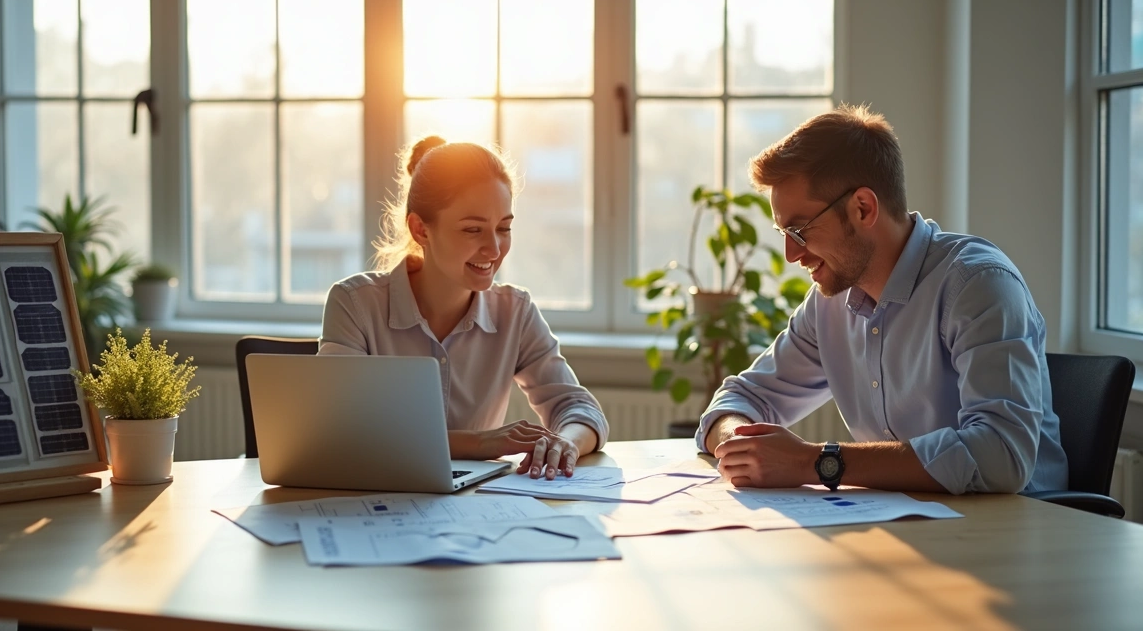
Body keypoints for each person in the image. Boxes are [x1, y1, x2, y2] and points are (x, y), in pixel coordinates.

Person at [698, 105, 1068, 494]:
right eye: (783, 233)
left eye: (800, 230)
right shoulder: (829, 303)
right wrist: (743, 442)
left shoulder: (978, 285)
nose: (792, 254)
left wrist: (813, 462)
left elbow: (1001, 456)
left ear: (863, 208)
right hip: (910, 527)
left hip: (1019, 532)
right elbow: (740, 398)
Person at [319, 135, 608, 480]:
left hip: (474, 511)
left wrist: (565, 443)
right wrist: (479, 443)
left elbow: (579, 409)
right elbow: (342, 433)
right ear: (420, 229)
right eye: (473, 229)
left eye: (504, 228)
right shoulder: (355, 304)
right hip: (371, 502)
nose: (494, 248)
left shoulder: (514, 311)